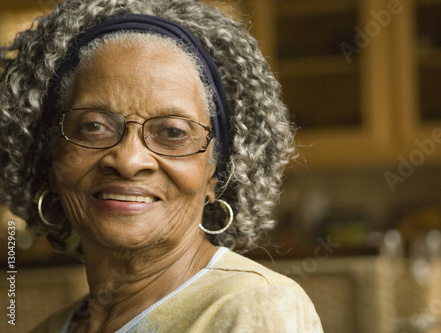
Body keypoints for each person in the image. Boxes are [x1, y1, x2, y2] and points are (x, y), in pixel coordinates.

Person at [0, 0, 323, 332]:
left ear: (216, 174)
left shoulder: (255, 308)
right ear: (50, 160)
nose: (128, 161)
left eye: (173, 132)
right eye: (94, 126)